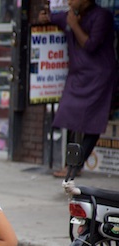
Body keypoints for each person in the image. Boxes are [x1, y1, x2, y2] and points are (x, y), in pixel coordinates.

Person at [39, 0, 118, 177]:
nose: (69, 1)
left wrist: (74, 25)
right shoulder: (70, 15)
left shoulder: (102, 16)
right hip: (77, 75)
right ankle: (70, 163)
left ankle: (75, 166)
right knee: (68, 115)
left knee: (93, 122)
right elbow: (51, 16)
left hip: (99, 76)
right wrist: (45, 16)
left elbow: (90, 45)